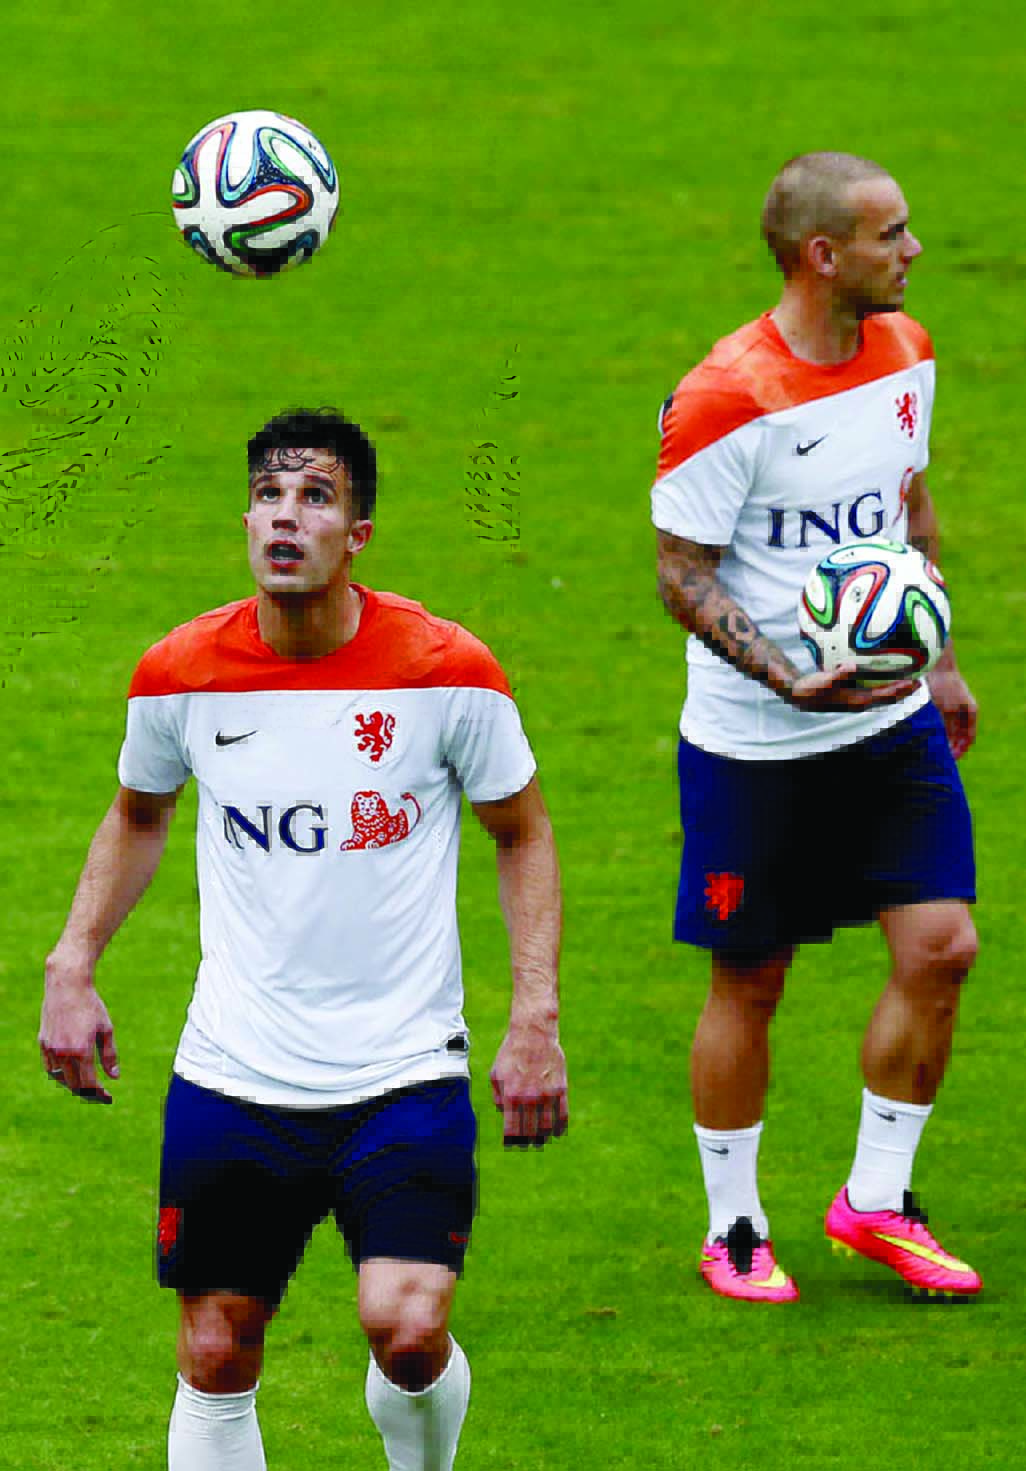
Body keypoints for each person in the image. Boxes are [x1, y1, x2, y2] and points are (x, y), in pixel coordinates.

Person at [39, 407, 568, 1470]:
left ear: (358, 534)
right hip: (236, 1069)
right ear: (246, 519)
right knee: (215, 1346)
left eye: (316, 496)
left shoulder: (447, 672)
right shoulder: (179, 673)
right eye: (268, 495)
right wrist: (72, 963)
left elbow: (522, 830)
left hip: (402, 1067)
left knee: (407, 1328)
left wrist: (534, 1015)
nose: (286, 516)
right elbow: (138, 814)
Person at [651, 152, 980, 1304]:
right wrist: (789, 679)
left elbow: (910, 506)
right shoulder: (725, 397)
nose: (914, 250)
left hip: (889, 721)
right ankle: (734, 1226)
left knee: (942, 947)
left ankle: (876, 1201)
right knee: (751, 979)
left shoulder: (907, 350)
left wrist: (941, 662)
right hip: (757, 744)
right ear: (823, 255)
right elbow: (681, 574)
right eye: (892, 234)